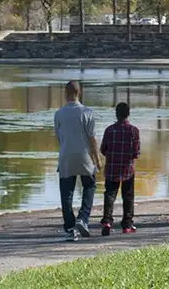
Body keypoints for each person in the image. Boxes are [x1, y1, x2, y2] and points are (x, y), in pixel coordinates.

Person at [54, 81, 102, 239]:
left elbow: (59, 138)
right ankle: (83, 218)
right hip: (84, 156)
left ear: (65, 93)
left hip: (66, 156)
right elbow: (92, 139)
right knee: (89, 186)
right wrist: (97, 159)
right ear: (79, 93)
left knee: (66, 193)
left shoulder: (59, 113)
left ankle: (69, 228)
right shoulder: (87, 112)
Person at [100, 102, 140, 235]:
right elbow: (136, 152)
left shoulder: (109, 130)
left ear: (116, 114)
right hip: (128, 169)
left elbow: (103, 149)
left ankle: (107, 221)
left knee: (110, 193)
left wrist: (111, 156)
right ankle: (127, 225)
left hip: (112, 167)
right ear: (128, 114)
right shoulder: (134, 131)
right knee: (128, 195)